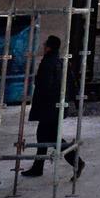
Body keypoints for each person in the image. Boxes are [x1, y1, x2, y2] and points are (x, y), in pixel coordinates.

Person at [22, 35, 83, 179]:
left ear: (48, 47)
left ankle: (77, 162)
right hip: (57, 107)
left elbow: (44, 86)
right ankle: (38, 167)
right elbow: (72, 83)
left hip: (49, 107)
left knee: (49, 137)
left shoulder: (48, 62)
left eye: (45, 45)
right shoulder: (61, 62)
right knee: (45, 137)